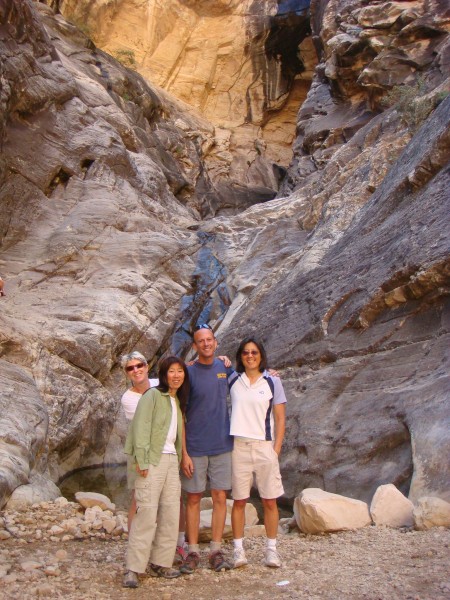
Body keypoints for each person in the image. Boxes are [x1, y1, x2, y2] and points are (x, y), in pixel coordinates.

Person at [122, 356, 191, 588]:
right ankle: (133, 568)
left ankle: (162, 562)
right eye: (172, 371)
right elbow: (140, 428)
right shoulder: (152, 395)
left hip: (172, 460)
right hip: (152, 460)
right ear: (163, 374)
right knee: (146, 513)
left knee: (171, 513)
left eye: (180, 371)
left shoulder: (176, 400)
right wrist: (141, 460)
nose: (176, 375)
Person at [229, 337, 287, 569]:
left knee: (270, 501)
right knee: (239, 501)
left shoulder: (272, 382)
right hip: (238, 446)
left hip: (264, 446)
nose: (250, 356)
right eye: (245, 353)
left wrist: (276, 448)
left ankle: (271, 550)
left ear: (261, 355)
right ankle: (238, 550)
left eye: (254, 352)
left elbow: (281, 417)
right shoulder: (233, 379)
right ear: (240, 357)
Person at [181, 324, 234, 572]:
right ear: (194, 346)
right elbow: (181, 413)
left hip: (222, 444)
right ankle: (192, 551)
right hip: (195, 446)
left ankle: (215, 549)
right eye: (200, 341)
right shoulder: (188, 373)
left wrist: (272, 374)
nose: (205, 344)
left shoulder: (224, 367)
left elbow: (249, 379)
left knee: (220, 497)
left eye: (209, 340)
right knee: (193, 497)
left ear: (216, 342)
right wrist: (184, 452)